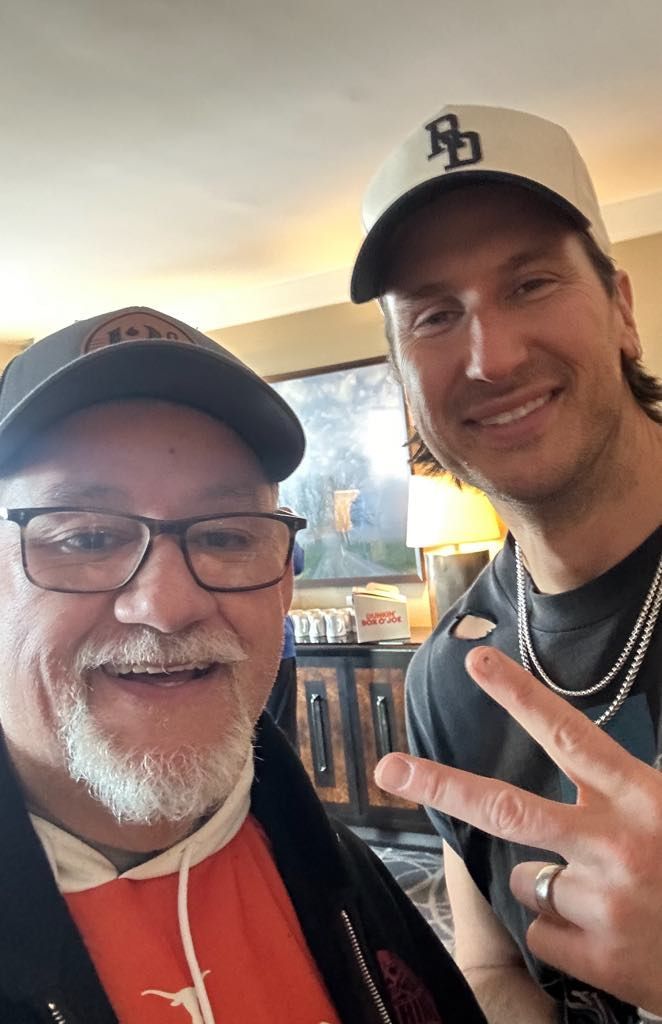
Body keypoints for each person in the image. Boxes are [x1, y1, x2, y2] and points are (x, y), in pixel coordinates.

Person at [0, 305, 486, 1024]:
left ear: (284, 581)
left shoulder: (348, 882)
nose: (168, 606)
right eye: (86, 538)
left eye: (227, 537)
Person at [349, 104, 662, 1024]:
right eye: (435, 315)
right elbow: (492, 969)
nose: (491, 358)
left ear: (622, 309)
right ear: (404, 380)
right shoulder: (451, 674)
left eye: (530, 283)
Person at [267, 540, 304, 746]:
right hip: (277, 647)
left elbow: (296, 561)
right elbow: (297, 560)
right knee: (279, 730)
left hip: (278, 647)